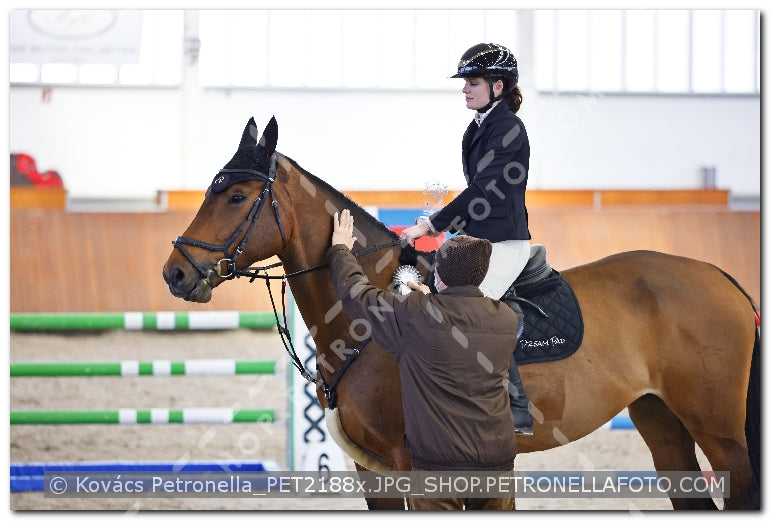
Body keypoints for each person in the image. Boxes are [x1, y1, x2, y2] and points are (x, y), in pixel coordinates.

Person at [328, 209, 517, 510]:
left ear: (438, 275)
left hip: (437, 470)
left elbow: (356, 294)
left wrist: (339, 248)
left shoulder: (415, 314)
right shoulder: (505, 318)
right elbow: (457, 333)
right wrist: (432, 301)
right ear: (482, 275)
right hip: (497, 464)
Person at [399, 42, 533, 435]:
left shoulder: (508, 127)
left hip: (505, 243)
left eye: (472, 82)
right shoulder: (477, 128)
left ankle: (517, 405)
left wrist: (431, 225)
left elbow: (484, 191)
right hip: (478, 240)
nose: (464, 89)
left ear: (498, 85)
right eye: (465, 82)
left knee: (472, 313)